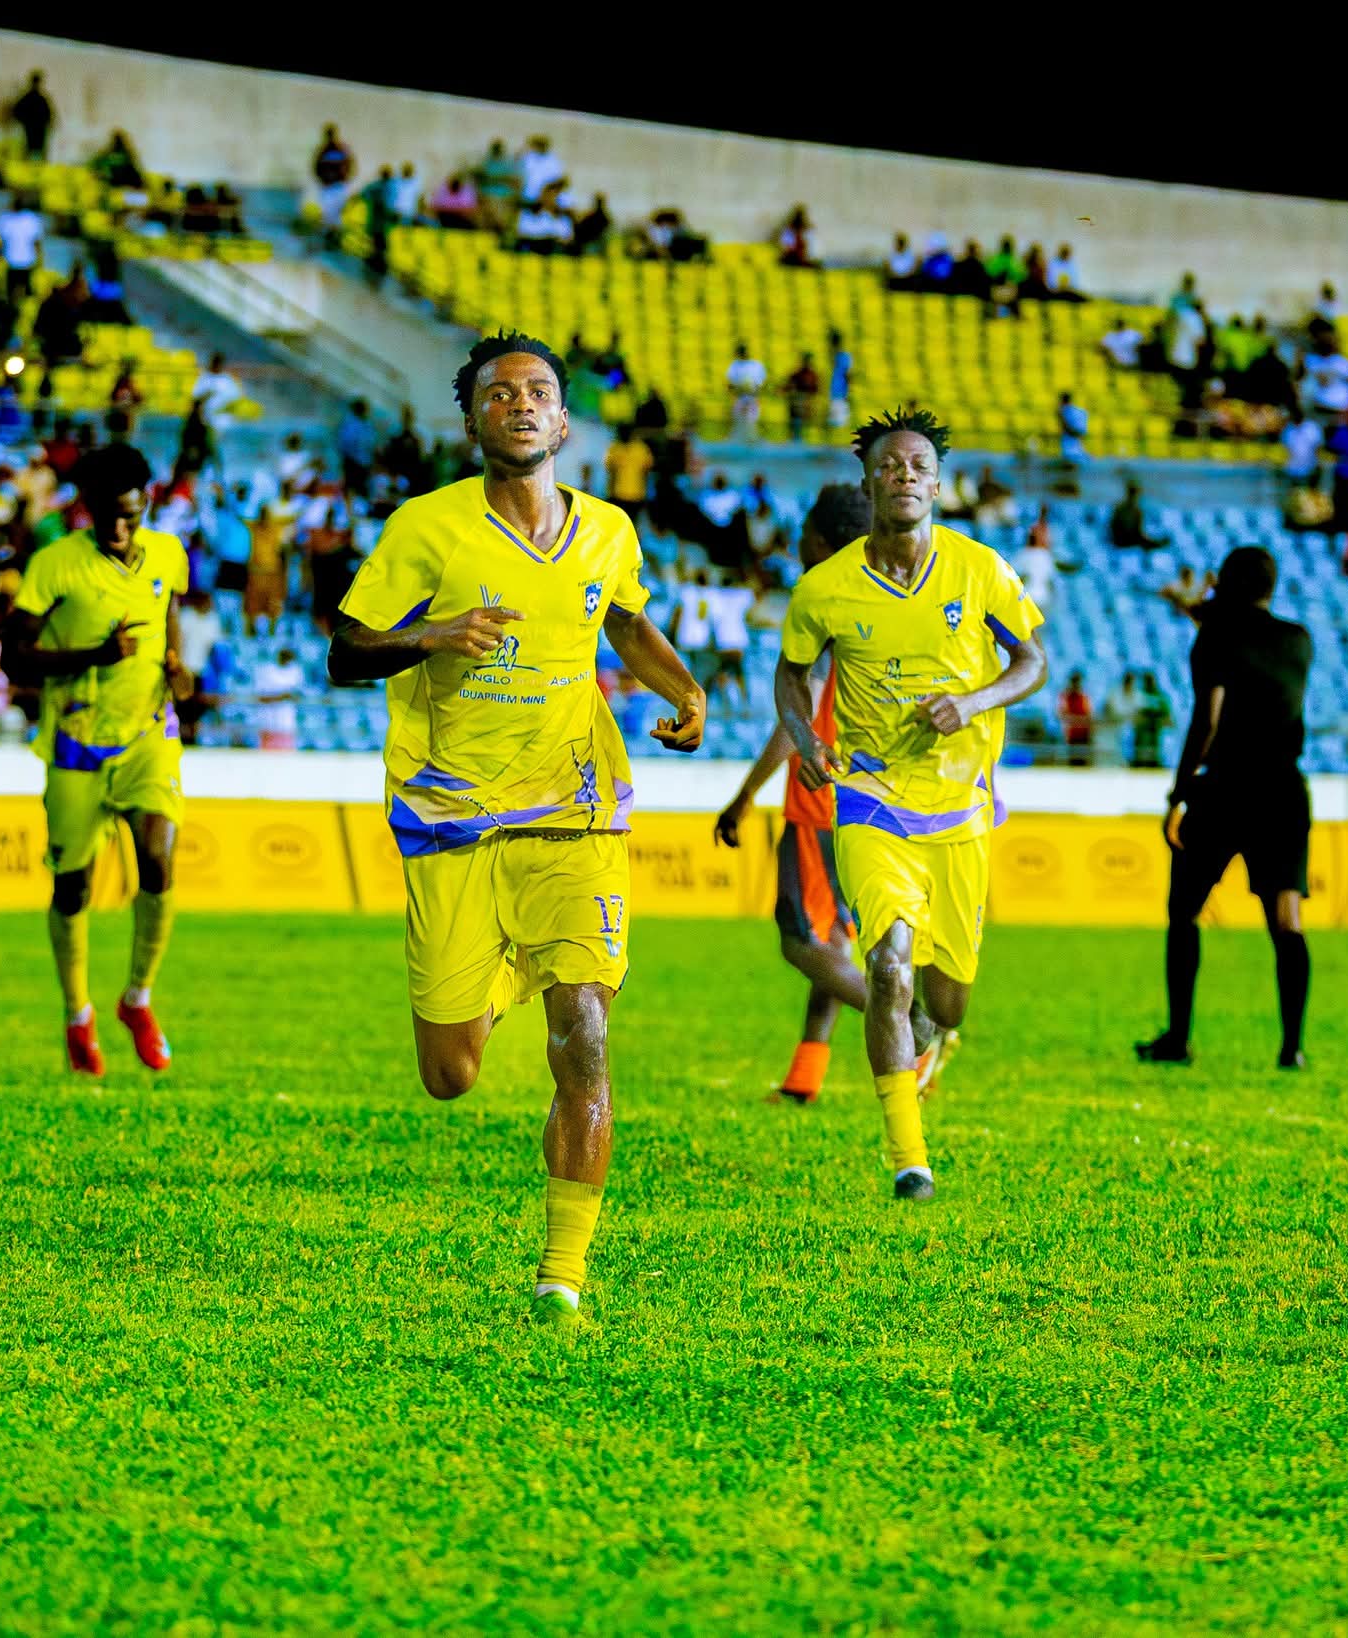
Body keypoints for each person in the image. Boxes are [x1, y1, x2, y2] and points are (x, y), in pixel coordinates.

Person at [324, 331, 706, 1328]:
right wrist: (431, 636)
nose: (521, 404)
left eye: (538, 391)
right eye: (499, 393)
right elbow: (344, 652)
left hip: (574, 808)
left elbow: (622, 620)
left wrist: (683, 688)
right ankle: (501, 983)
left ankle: (560, 1278)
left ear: (565, 421)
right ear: (471, 422)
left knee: (584, 1029)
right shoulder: (425, 529)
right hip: (451, 814)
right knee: (450, 1075)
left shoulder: (608, 531)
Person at [775, 408, 1048, 1203]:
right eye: (890, 466)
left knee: (946, 997)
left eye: (919, 467)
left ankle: (933, 1029)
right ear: (869, 482)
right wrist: (806, 736)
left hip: (960, 809)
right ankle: (909, 1159)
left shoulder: (980, 569)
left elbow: (1032, 660)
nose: (904, 476)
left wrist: (975, 700)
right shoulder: (824, 589)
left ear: (937, 484)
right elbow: (791, 673)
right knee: (887, 964)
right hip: (872, 800)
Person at [713, 483, 951, 1104]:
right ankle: (803, 1080)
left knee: (802, 942)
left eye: (806, 532)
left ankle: (917, 1028)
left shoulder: (824, 605)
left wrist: (744, 795)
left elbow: (800, 715)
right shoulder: (880, 598)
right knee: (836, 945)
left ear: (822, 540)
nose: (798, 542)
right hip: (875, 802)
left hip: (822, 803)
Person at [4, 443, 192, 1078]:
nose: (118, 528)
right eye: (106, 516)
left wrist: (178, 668)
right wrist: (94, 656)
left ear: (146, 505)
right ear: (85, 508)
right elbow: (13, 656)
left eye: (129, 515)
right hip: (77, 741)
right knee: (73, 887)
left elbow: (167, 616)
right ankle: (77, 1013)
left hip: (148, 734)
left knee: (159, 859)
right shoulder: (55, 565)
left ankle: (137, 999)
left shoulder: (167, 553)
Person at [1140, 546, 1314, 1070]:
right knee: (1286, 919)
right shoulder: (1298, 640)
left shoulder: (1214, 637)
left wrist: (1178, 794)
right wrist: (1202, 608)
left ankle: (1178, 1038)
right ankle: (1292, 1047)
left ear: (1226, 585)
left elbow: (1208, 720)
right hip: (1284, 790)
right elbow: (1250, 641)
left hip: (1226, 788)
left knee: (1184, 912)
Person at [603, 423, 653, 523]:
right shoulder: (615, 448)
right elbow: (611, 471)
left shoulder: (641, 448)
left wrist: (645, 493)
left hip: (636, 495)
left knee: (632, 523)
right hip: (618, 495)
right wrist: (610, 492)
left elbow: (646, 472)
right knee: (619, 523)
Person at [1108, 480, 1165, 550]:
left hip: (1128, 539)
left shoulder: (1135, 511)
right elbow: (1114, 529)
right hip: (1121, 541)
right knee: (1146, 542)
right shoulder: (1122, 510)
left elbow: (1138, 532)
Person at [11, 71, 54, 161]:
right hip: (37, 130)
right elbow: (49, 115)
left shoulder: (28, 98)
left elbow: (16, 112)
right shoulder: (40, 98)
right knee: (36, 152)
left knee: (31, 152)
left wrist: (25, 122)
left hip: (31, 130)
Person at [726, 343, 766, 438]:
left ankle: (752, 441)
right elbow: (730, 384)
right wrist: (738, 392)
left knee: (751, 424)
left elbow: (760, 384)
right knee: (739, 423)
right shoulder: (734, 365)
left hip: (753, 398)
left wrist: (753, 393)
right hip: (739, 398)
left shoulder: (756, 365)